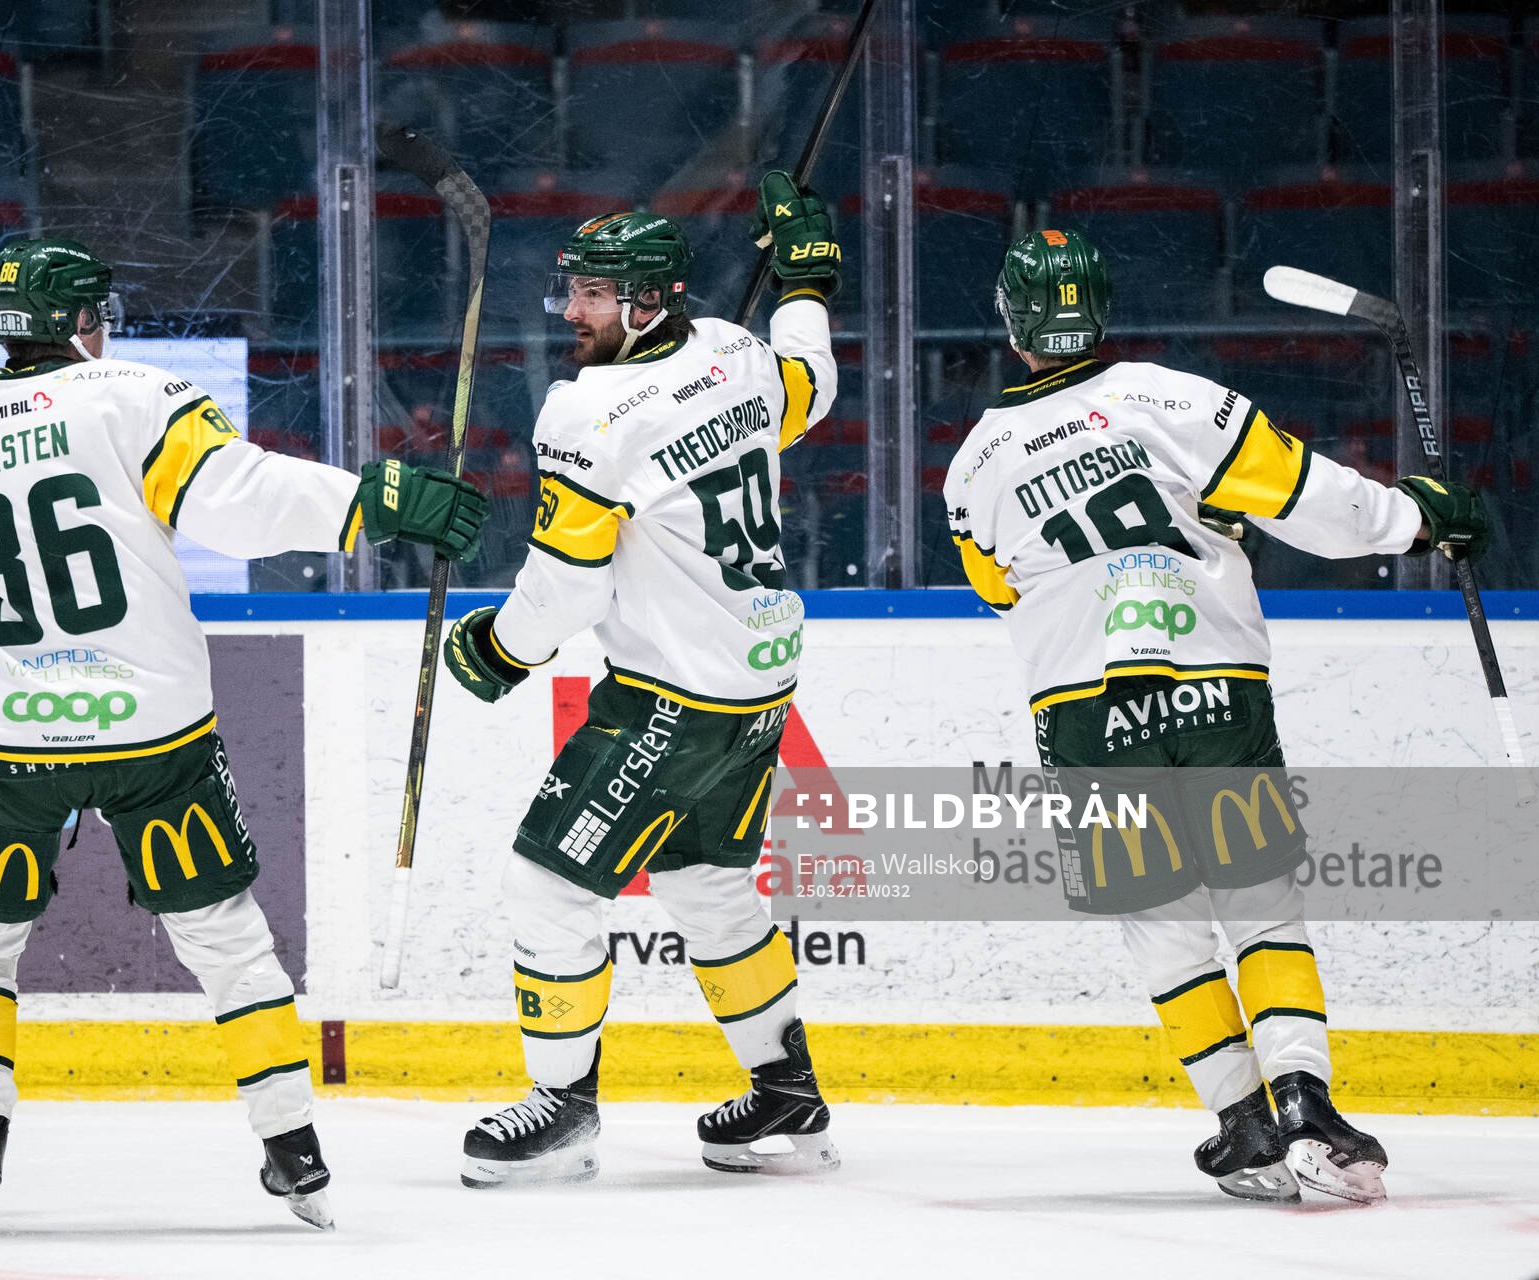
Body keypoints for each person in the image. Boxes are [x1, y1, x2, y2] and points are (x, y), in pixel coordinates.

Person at [0, 237, 489, 1233]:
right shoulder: (135, 393)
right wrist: (376, 501)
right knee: (224, 938)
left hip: (8, 732)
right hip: (150, 725)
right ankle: (294, 1150)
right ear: (85, 321)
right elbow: (242, 501)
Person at [941, 227, 1491, 1204]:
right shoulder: (1170, 399)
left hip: (1083, 712)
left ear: (1011, 322)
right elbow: (1308, 500)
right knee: (1259, 904)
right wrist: (1418, 516)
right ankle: (1306, 1102)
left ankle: (1242, 1123)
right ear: (1100, 307)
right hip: (1212, 685)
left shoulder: (973, 466)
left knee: (1163, 927)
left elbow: (1002, 592)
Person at [441, 174, 843, 1187]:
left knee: (545, 881)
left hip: (671, 696)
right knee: (709, 885)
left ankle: (563, 1107)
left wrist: (499, 648)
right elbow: (810, 379)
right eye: (571, 291)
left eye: (592, 296)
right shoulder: (738, 355)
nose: (571, 312)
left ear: (650, 302)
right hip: (755, 689)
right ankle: (785, 1093)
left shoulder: (594, 409)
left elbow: (570, 580)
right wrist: (806, 279)